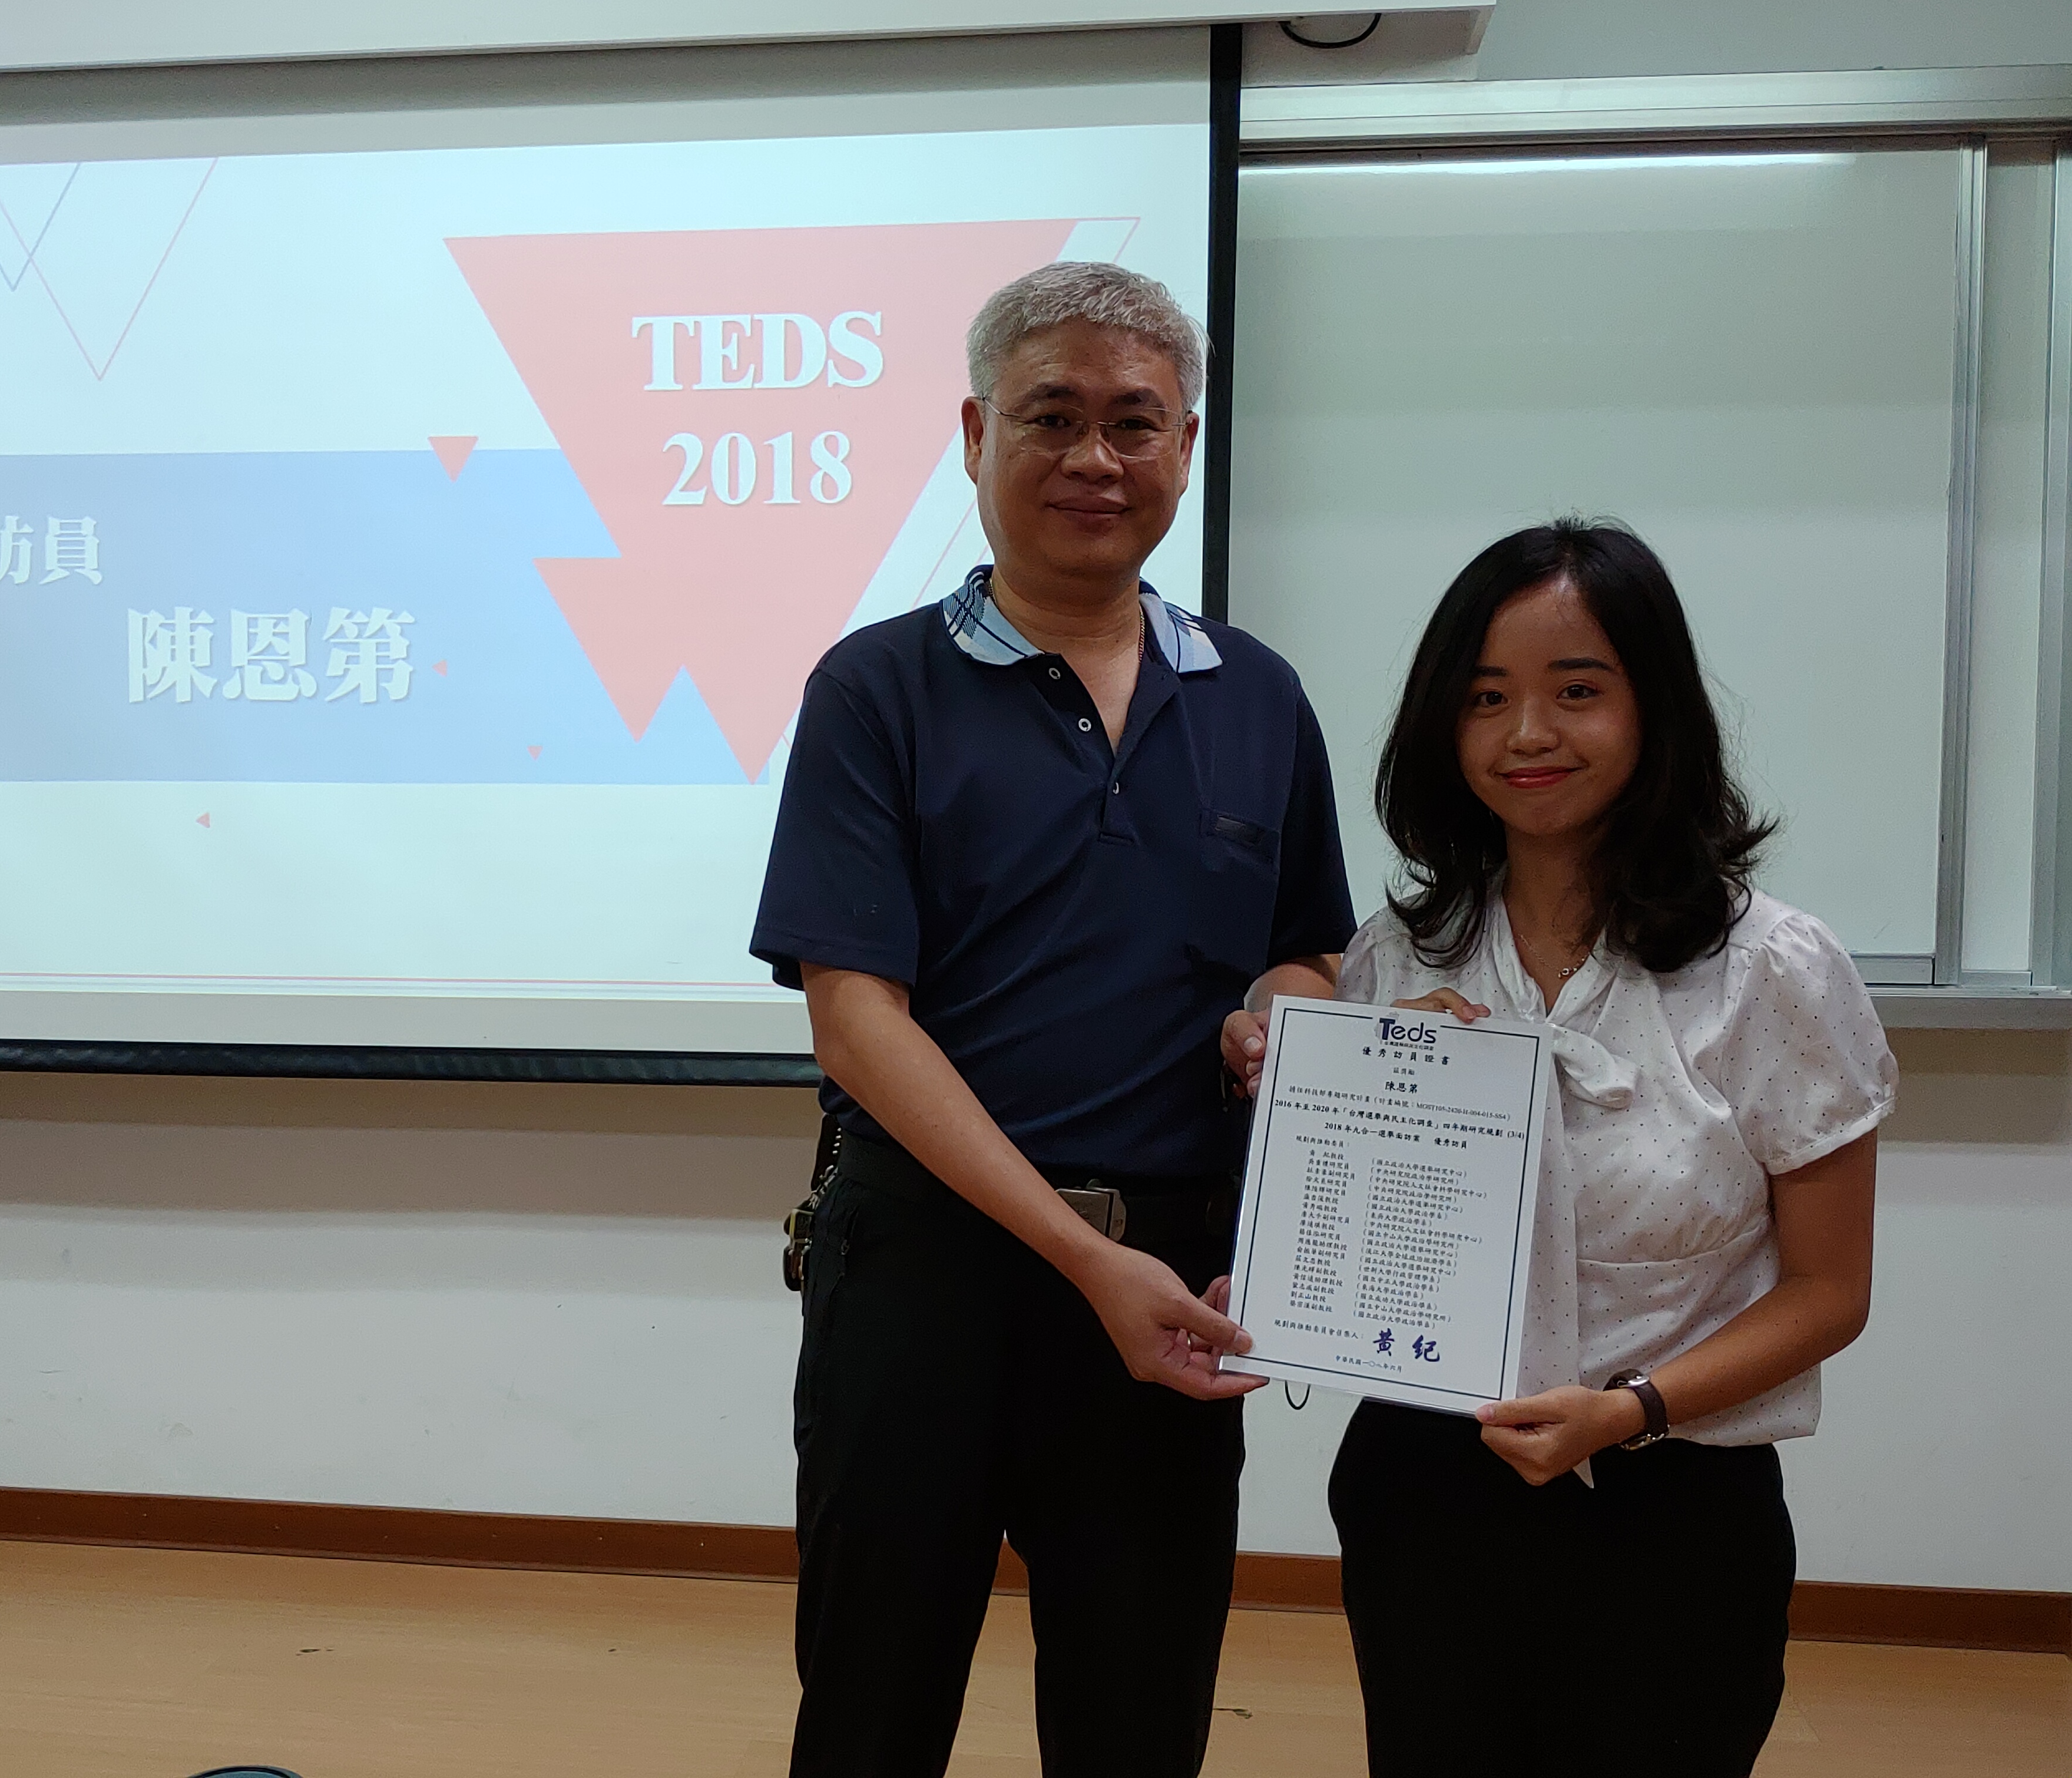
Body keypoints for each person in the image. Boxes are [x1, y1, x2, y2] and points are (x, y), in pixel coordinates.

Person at [750, 261, 1358, 1778]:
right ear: (976, 434)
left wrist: (1279, 1013)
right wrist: (1086, 1261)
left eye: (1135, 423)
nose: (1097, 456)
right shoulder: (874, 689)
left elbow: (1307, 952)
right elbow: (856, 1023)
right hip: (925, 1278)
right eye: (1052, 416)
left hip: (1174, 1284)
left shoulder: (1260, 697)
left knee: (1137, 1718)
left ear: (1186, 447)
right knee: (874, 1711)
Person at [1228, 519, 1892, 1777]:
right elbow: (1345, 1219)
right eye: (1486, 699)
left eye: (1577, 691)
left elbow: (1828, 1291)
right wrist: (1279, 1248)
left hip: (1676, 1503)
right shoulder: (1394, 959)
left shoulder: (1773, 970)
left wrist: (1627, 1412)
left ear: (1655, 709)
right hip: (1426, 1495)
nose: (1527, 733)